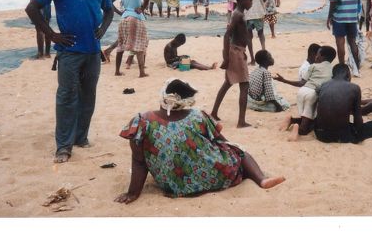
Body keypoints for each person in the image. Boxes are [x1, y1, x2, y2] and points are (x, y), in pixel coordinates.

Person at [114, 78, 285, 202]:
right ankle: (261, 179)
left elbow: (139, 162)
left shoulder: (142, 121)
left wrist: (133, 193)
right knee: (239, 151)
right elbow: (225, 143)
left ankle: (257, 177)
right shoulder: (197, 115)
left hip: (173, 185)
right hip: (212, 177)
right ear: (187, 101)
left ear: (163, 96)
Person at [25, 0, 114, 163]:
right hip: (69, 52)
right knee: (66, 97)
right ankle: (63, 147)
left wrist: (103, 29)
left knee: (88, 96)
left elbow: (109, 10)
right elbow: (32, 8)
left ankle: (80, 138)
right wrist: (52, 35)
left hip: (93, 52)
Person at [210, 0, 254, 128]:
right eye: (250, 0)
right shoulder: (237, 14)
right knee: (245, 85)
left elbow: (241, 34)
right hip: (235, 52)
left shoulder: (239, 13)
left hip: (238, 51)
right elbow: (227, 34)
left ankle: (214, 112)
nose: (251, 3)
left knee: (228, 83)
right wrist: (226, 56)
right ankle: (241, 121)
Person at [275, 46, 336, 140]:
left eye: (318, 54)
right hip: (313, 94)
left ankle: (291, 120)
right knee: (305, 128)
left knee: (307, 119)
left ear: (322, 56)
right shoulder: (333, 69)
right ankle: (297, 128)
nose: (316, 56)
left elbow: (301, 83)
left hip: (302, 91)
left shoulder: (313, 66)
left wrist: (284, 80)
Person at [111, 0, 149, 78]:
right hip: (136, 18)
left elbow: (109, 1)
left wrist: (119, 12)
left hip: (124, 18)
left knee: (121, 45)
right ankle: (141, 72)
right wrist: (141, 8)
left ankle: (117, 71)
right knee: (139, 45)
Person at [234, 0, 268, 64]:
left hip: (246, 14)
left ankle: (253, 59)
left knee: (249, 37)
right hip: (258, 12)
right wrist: (260, 4)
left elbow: (236, 1)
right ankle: (264, 55)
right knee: (261, 33)